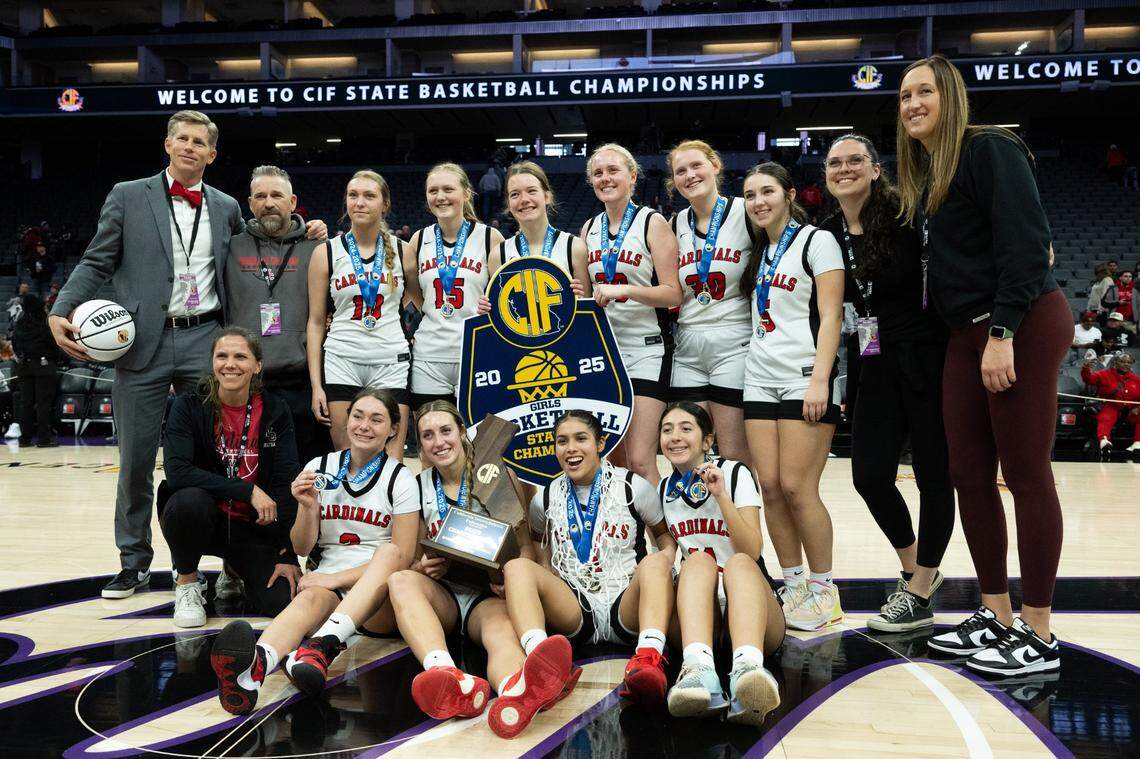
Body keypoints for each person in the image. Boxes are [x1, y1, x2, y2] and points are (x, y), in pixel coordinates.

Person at [897, 55, 1069, 676]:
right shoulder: (925, 173)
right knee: (967, 474)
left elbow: (1027, 245)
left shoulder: (989, 149)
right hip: (962, 336)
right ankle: (996, 616)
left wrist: (1002, 333)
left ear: (951, 97)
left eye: (925, 91)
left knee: (1025, 474)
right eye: (905, 94)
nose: (913, 102)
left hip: (1016, 325)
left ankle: (1040, 631)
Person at [48, 111, 245, 600]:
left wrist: (303, 229)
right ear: (167, 143)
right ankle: (133, 562)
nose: (189, 147)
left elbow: (255, 251)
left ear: (212, 154)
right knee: (136, 458)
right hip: (140, 343)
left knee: (218, 457)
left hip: (206, 338)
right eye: (182, 138)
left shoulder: (226, 206)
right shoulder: (128, 195)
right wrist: (61, 309)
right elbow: (98, 259)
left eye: (199, 142)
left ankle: (228, 564)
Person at [210, 388, 419, 714]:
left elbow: (404, 556)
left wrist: (333, 579)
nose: (364, 425)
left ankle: (322, 647)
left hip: (379, 599)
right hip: (329, 589)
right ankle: (255, 666)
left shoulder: (402, 479)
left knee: (389, 554)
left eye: (376, 420)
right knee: (309, 597)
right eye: (358, 416)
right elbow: (301, 546)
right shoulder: (319, 466)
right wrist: (307, 508)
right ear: (346, 420)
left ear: (393, 428)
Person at [821, 134, 954, 632]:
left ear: (877, 169)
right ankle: (917, 566)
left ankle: (919, 589)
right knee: (869, 475)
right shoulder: (825, 233)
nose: (845, 168)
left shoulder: (907, 217)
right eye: (835, 163)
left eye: (856, 160)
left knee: (934, 476)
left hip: (926, 358)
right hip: (872, 364)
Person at [494, 410, 676, 738]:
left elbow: (664, 538)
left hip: (626, 602)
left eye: (581, 438)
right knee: (518, 567)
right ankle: (543, 667)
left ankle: (648, 658)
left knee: (655, 561)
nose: (570, 448)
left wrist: (664, 572)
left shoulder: (633, 487)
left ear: (600, 443)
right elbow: (536, 545)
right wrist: (547, 576)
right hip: (577, 606)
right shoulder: (546, 497)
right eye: (561, 441)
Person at [740, 161, 845, 632]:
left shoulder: (816, 240)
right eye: (749, 194)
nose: (758, 201)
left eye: (767, 191)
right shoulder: (758, 250)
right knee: (771, 488)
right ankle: (794, 582)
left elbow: (831, 315)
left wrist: (821, 379)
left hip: (805, 375)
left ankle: (825, 588)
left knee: (800, 487)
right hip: (759, 377)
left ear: (788, 194)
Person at [387, 401, 539, 722]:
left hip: (488, 594)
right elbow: (411, 560)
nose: (438, 442)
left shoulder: (498, 475)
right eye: (427, 436)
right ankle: (449, 676)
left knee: (500, 636)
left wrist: (510, 581)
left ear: (462, 432)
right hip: (443, 595)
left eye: (445, 431)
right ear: (422, 445)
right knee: (400, 581)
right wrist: (423, 568)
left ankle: (515, 695)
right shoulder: (418, 486)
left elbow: (526, 549)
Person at [158, 327, 301, 628]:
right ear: (212, 362)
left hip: (251, 528)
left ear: (257, 365)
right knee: (188, 501)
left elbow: (285, 481)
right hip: (203, 519)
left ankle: (234, 569)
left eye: (240, 356)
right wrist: (247, 491)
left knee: (281, 602)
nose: (230, 364)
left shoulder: (276, 410)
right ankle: (187, 582)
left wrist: (286, 553)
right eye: (222, 356)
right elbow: (178, 472)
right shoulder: (187, 405)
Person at [657, 402, 785, 726]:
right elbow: (665, 555)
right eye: (667, 429)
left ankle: (747, 673)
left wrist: (721, 497)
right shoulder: (662, 490)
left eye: (686, 428)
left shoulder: (735, 472)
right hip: (704, 615)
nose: (675, 437)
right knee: (697, 561)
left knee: (740, 563)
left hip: (751, 607)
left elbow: (753, 548)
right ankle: (699, 672)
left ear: (707, 440)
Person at [580, 143, 682, 486]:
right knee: (614, 458)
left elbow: (673, 293)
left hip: (646, 349)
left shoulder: (652, 223)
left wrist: (624, 290)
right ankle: (629, 538)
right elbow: (584, 295)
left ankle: (661, 539)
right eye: (598, 173)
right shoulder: (588, 229)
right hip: (605, 354)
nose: (605, 178)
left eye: (613, 171)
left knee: (640, 459)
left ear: (632, 176)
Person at [226, 166, 326, 466]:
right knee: (255, 471)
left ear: (292, 201)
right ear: (250, 203)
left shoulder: (318, 246)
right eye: (260, 196)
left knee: (307, 469)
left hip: (302, 380)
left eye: (276, 195)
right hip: (249, 382)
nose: (268, 202)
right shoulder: (230, 247)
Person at [307, 170, 409, 458]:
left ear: (384, 204)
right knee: (348, 456)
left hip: (390, 360)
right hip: (342, 359)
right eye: (353, 195)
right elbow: (315, 322)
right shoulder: (325, 252)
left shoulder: (403, 251)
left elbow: (425, 301)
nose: (359, 202)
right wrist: (316, 385)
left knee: (391, 459)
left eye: (369, 196)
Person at [666, 140, 753, 463]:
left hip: (734, 340)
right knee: (687, 455)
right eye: (680, 171)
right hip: (688, 344)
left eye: (696, 165)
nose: (690, 175)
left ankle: (742, 515)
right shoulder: (674, 225)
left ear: (715, 166)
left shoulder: (746, 211)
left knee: (733, 455)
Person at [404, 163, 504, 411]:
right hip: (429, 356)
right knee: (432, 439)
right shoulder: (419, 239)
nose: (440, 197)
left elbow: (505, 297)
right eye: (433, 190)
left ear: (466, 193)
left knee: (482, 443)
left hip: (477, 354)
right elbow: (416, 294)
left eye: (448, 189)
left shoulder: (490, 237)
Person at [499, 161, 591, 289]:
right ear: (508, 204)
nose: (524, 199)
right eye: (515, 194)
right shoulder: (498, 254)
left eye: (531, 191)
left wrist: (578, 299)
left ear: (547, 196)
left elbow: (586, 306)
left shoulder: (574, 247)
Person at [11, 293, 58, 447]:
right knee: (43, 403)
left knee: (26, 403)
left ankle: (24, 439)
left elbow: (15, 345)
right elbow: (53, 346)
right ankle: (44, 439)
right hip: (44, 367)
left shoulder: (20, 324)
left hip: (24, 367)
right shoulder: (44, 324)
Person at [1081, 352, 1140, 458]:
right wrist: (1086, 368)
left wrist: (1138, 408)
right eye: (1122, 361)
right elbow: (1088, 379)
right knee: (1106, 417)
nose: (1125, 364)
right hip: (1111, 406)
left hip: (1131, 411)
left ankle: (1137, 444)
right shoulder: (1103, 375)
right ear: (1115, 363)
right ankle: (1104, 442)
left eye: (1128, 362)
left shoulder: (1137, 380)